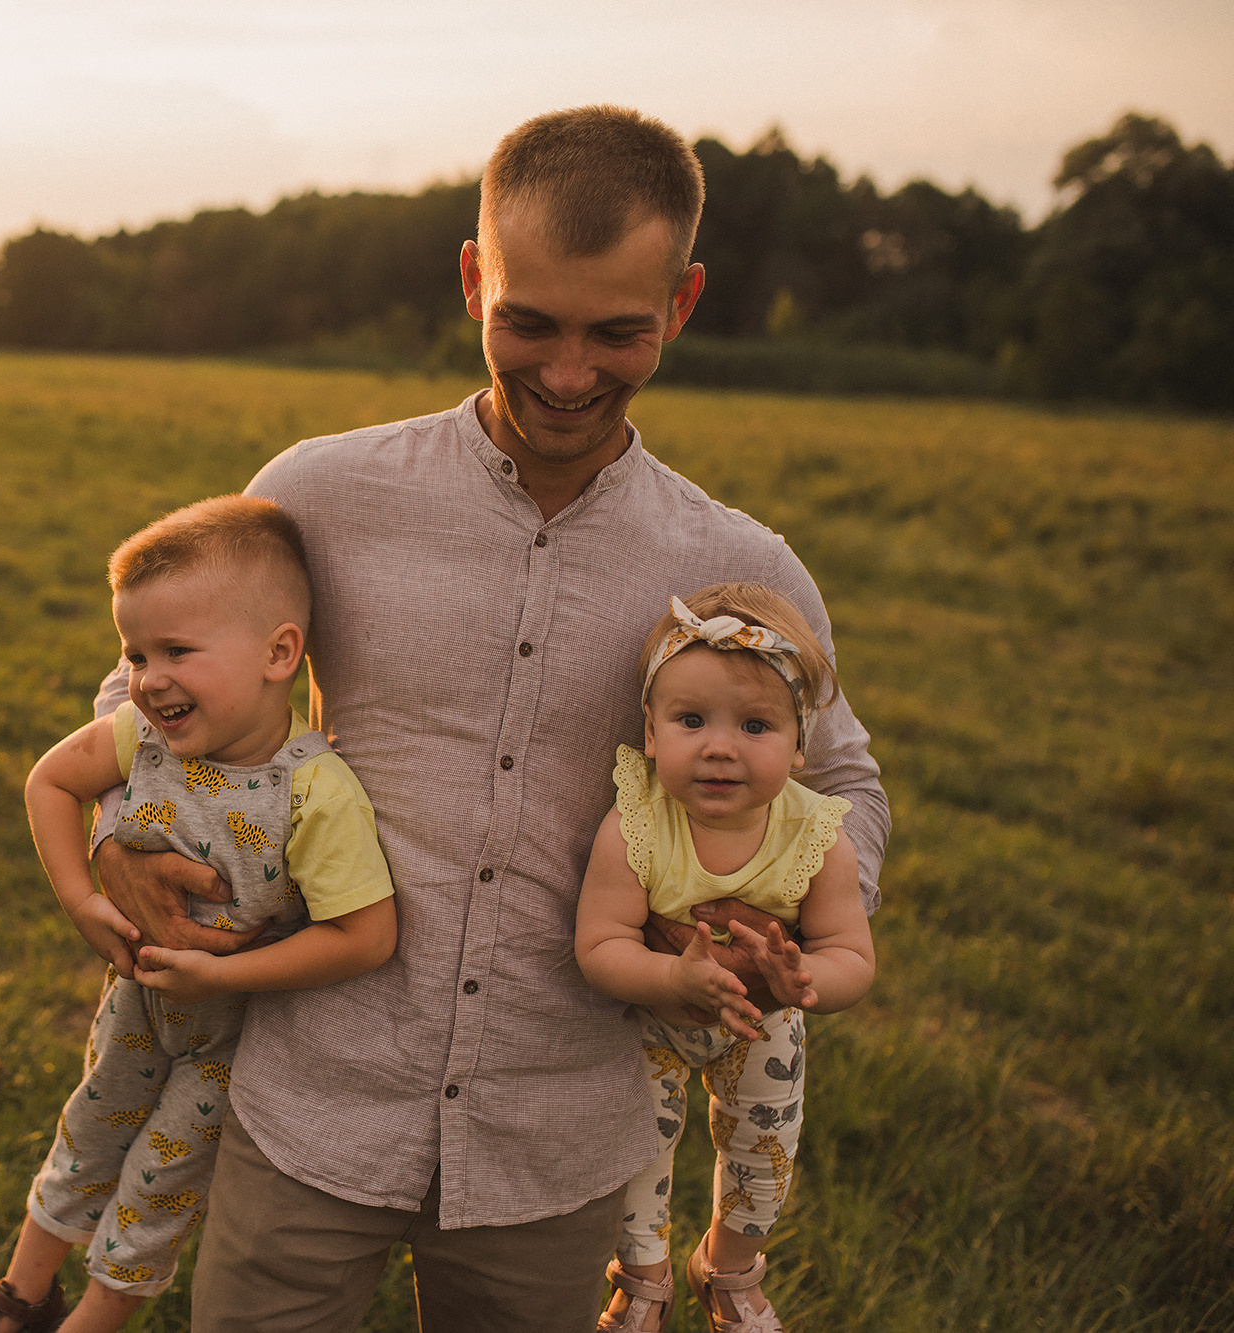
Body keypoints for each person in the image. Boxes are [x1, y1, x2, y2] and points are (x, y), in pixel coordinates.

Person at [90, 105, 891, 1331]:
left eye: (617, 332)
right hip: (313, 1090)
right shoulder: (320, 489)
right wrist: (118, 832)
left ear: (678, 306)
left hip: (554, 1131)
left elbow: (843, 780)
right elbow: (144, 676)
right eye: (528, 321)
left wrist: (781, 917)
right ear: (474, 278)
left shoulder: (738, 563)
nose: (567, 373)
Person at [0, 495, 397, 1333]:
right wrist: (83, 899)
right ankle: (17, 1299)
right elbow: (50, 781)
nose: (149, 679)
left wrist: (226, 971)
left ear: (278, 652)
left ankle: (93, 1320)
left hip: (230, 1039)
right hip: (137, 1005)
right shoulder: (138, 736)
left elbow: (365, 935)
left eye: (176, 652)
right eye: (135, 652)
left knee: (162, 1174)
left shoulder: (313, 788)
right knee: (87, 1129)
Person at [576, 585, 877, 1333]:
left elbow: (851, 953)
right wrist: (667, 975)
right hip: (652, 1018)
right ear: (650, 733)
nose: (719, 746)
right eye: (690, 720)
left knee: (764, 1146)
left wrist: (804, 982)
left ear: (800, 743)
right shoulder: (636, 825)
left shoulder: (816, 838)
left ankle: (730, 1265)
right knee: (636, 1147)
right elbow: (600, 941)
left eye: (754, 724)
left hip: (761, 1025)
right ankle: (641, 1278)